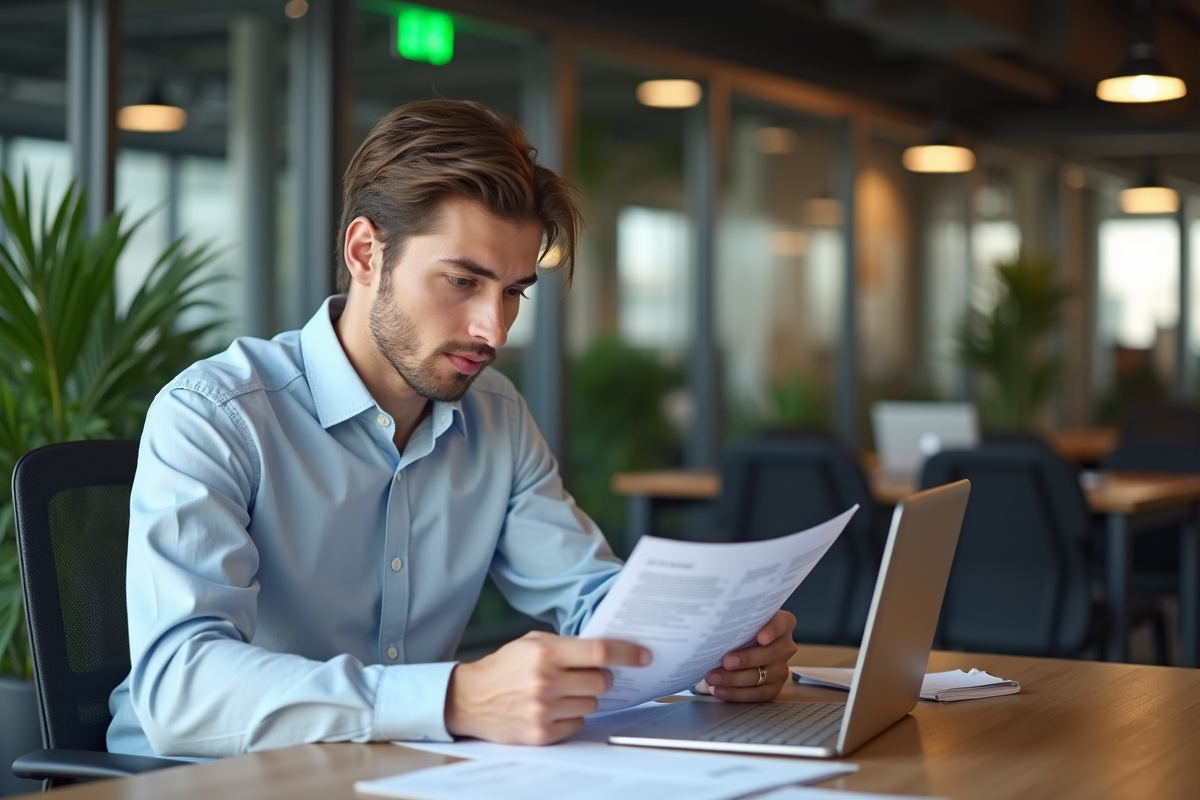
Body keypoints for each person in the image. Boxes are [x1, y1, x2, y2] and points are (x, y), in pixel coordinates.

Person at [107, 99, 797, 759]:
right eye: (462, 282)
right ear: (365, 253)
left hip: (395, 772)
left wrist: (711, 649)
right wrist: (454, 696)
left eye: (513, 292)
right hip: (206, 779)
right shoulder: (216, 414)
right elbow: (180, 687)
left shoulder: (494, 414)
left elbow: (587, 599)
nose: (492, 329)